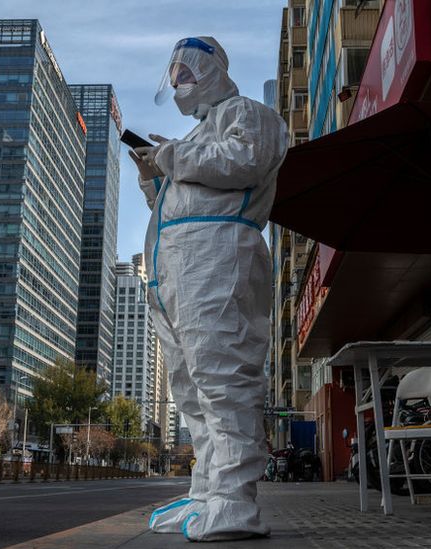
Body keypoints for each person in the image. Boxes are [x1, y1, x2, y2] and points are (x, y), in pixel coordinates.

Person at [130, 36, 288, 542]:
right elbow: (180, 200)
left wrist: (171, 157)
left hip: (218, 256)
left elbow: (243, 161)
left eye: (185, 73)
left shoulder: (247, 113)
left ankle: (235, 500)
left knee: (223, 374)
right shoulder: (196, 135)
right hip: (178, 265)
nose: (179, 83)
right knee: (190, 385)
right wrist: (152, 176)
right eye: (173, 75)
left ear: (209, 69)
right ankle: (206, 490)